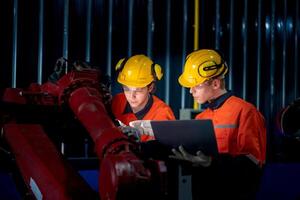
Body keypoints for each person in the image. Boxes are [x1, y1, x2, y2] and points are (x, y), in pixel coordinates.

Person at [134, 49, 266, 199]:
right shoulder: (202, 118)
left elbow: (253, 165)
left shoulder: (246, 112)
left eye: (196, 86)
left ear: (215, 84)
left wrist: (211, 162)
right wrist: (137, 141)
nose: (191, 91)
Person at [111, 54, 175, 142]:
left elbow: (164, 151)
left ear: (150, 87)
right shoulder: (117, 102)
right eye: (127, 89)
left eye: (138, 90)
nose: (131, 96)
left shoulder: (162, 114)